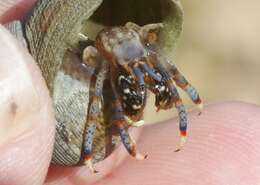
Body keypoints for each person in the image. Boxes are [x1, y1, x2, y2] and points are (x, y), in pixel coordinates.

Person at [0, 1, 260, 184]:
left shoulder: (145, 55)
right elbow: (95, 112)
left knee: (159, 69)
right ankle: (94, 149)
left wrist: (188, 99)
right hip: (66, 69)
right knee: (102, 105)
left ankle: (189, 106)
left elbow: (168, 71)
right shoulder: (103, 68)